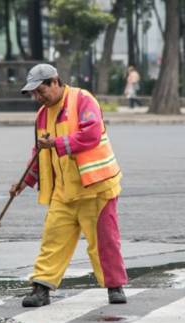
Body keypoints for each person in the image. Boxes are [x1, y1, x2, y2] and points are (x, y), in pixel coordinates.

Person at [12, 64, 128, 307]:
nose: (38, 97)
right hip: (63, 192)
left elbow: (92, 134)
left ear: (55, 82)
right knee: (52, 239)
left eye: (40, 91)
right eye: (34, 93)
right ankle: (41, 288)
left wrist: (56, 143)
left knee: (104, 241)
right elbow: (39, 152)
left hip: (95, 187)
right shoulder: (42, 115)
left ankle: (114, 287)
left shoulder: (82, 100)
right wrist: (25, 181)